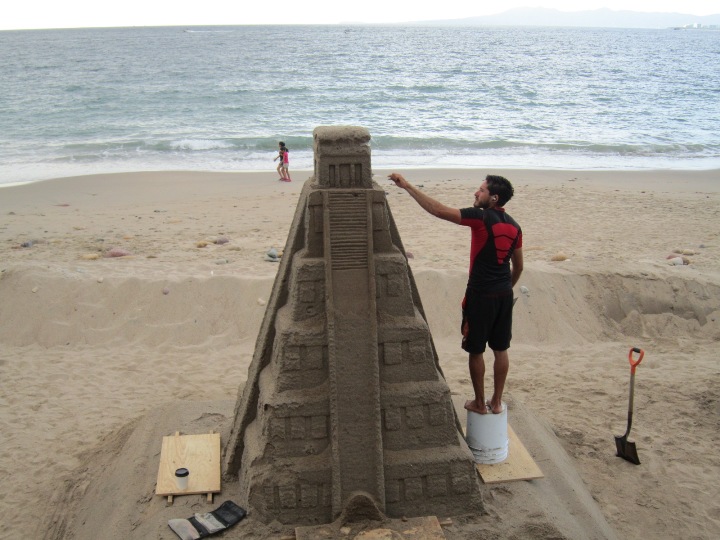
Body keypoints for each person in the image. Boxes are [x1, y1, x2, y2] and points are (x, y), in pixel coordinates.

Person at [388, 173, 523, 415]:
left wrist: (407, 186)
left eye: (480, 190)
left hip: (481, 295)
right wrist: (505, 289)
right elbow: (519, 266)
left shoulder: (480, 217)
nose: (475, 193)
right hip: (503, 294)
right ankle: (497, 401)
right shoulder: (515, 226)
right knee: (501, 348)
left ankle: (480, 403)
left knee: (476, 349)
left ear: (493, 198)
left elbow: (438, 210)